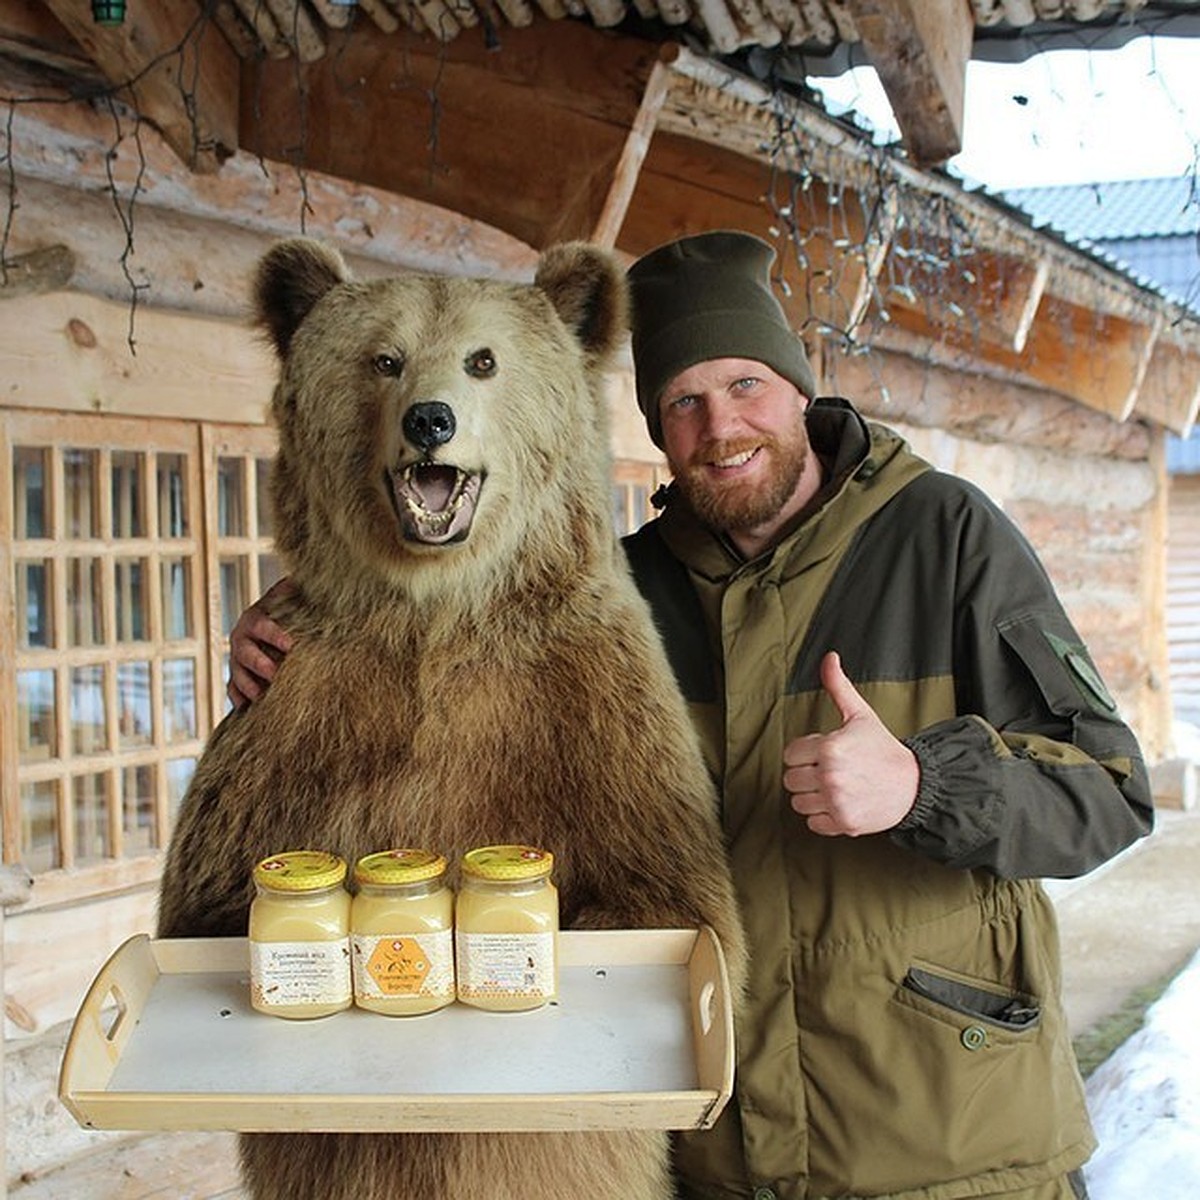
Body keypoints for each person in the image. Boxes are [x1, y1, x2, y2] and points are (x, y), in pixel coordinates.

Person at [227, 230, 1153, 1200]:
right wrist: (294, 635)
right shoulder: (614, 594)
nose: (721, 426)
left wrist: (926, 785)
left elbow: (1109, 794)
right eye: (684, 401)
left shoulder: (946, 536)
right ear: (655, 428)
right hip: (722, 1155)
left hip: (949, 1146)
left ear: (799, 387)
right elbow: (440, 685)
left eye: (747, 384)